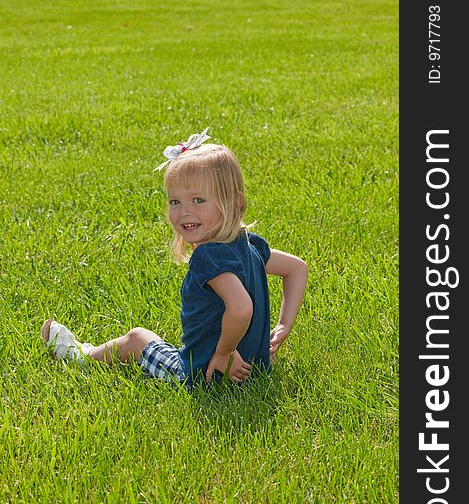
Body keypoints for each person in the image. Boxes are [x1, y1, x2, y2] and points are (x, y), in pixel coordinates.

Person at [41, 129, 308, 389]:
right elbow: (297, 268)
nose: (184, 212)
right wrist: (283, 326)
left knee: (137, 338)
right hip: (254, 368)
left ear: (235, 203)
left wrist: (225, 353)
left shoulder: (209, 257)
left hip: (202, 374)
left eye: (199, 200)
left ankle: (82, 357)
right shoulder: (249, 246)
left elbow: (241, 308)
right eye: (175, 202)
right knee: (152, 340)